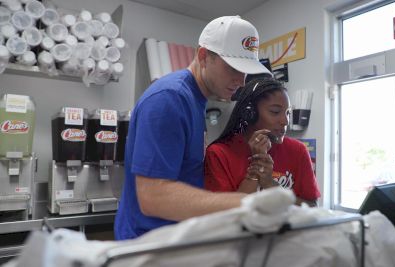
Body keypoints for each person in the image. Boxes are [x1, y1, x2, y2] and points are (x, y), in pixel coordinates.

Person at [114, 16, 271, 240]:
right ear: (203, 56)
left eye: (245, 71)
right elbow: (153, 196)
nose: (241, 80)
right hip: (148, 244)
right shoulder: (170, 99)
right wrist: (247, 204)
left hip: (173, 239)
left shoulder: (195, 100)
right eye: (233, 68)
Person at [204, 77, 320, 206]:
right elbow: (225, 214)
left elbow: (312, 206)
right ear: (250, 114)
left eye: (288, 113)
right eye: (275, 112)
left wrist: (270, 184)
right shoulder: (219, 154)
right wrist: (256, 170)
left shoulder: (298, 150)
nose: (285, 121)